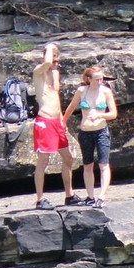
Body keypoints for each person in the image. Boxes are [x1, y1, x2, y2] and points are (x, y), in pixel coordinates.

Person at [32, 42, 85, 209]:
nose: (56, 64)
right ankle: (40, 199)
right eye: (54, 60)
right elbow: (47, 63)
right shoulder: (39, 72)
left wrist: (62, 120)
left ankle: (69, 195)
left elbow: (56, 98)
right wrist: (50, 47)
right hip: (45, 121)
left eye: (57, 61)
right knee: (43, 160)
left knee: (69, 157)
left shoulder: (55, 73)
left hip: (56, 122)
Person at [63, 65, 117, 208]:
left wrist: (100, 114)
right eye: (97, 79)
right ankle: (91, 196)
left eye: (101, 79)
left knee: (103, 164)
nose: (100, 82)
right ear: (88, 79)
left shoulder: (106, 92)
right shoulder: (82, 91)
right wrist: (62, 122)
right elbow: (71, 107)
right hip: (85, 132)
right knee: (88, 165)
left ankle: (102, 196)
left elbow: (113, 113)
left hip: (101, 131)